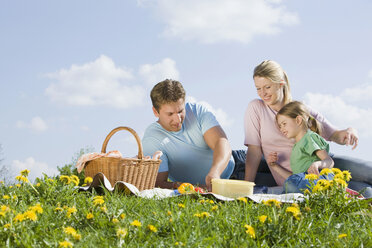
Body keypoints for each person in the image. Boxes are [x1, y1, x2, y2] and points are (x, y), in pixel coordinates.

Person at [244, 60, 372, 196]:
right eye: (258, 88)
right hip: (298, 179)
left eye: (267, 87)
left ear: (281, 84)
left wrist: (351, 130)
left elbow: (335, 135)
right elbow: (254, 151)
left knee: (368, 172)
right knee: (367, 192)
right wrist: (246, 188)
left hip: (322, 163)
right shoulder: (256, 108)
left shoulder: (300, 109)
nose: (263, 93)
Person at [142, 79, 246, 191]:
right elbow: (159, 183)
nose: (178, 119)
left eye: (180, 111)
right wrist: (194, 188)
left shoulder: (197, 111)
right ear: (155, 112)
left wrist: (215, 172)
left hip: (238, 166)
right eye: (170, 114)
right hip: (211, 189)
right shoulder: (152, 139)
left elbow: (220, 141)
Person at [272, 101, 335, 193]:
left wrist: (317, 164)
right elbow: (295, 177)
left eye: (284, 124)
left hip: (321, 179)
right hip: (305, 180)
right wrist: (274, 166)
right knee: (291, 183)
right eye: (280, 126)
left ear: (298, 120)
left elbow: (330, 162)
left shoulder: (309, 137)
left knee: (291, 185)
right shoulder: (296, 147)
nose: (282, 129)